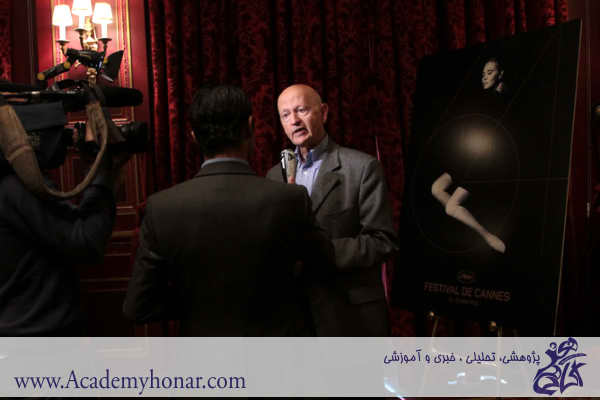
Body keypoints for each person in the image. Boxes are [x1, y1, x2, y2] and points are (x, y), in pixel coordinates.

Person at [123, 85, 334, 336]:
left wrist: (200, 303)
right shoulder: (291, 199)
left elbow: (137, 307)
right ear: (251, 127)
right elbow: (323, 266)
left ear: (193, 136)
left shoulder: (160, 207)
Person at [266, 84, 398, 336]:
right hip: (295, 319)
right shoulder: (274, 176)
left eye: (302, 110)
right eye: (285, 114)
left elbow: (382, 241)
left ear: (324, 112)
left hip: (350, 317)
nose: (294, 120)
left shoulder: (362, 168)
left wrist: (320, 251)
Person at [0, 97, 125, 336]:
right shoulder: (18, 188)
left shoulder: (8, 185)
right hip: (37, 340)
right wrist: (101, 171)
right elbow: (86, 241)